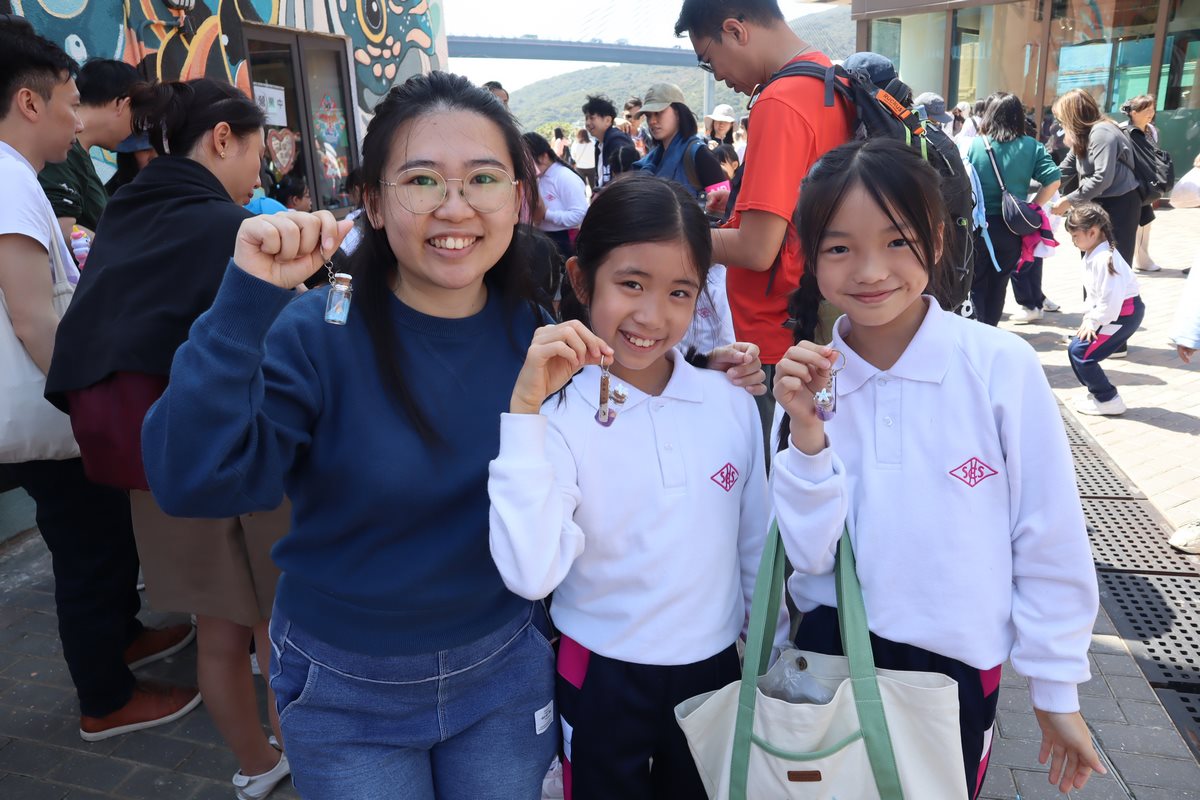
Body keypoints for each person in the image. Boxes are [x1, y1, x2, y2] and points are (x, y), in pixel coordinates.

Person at [137, 71, 765, 798]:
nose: (455, 206)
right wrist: (244, 300)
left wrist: (704, 372)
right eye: (422, 180)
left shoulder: (537, 335)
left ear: (518, 198)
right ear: (373, 201)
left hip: (503, 673)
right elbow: (192, 479)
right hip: (349, 687)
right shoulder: (320, 330)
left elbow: (635, 394)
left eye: (483, 179)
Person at [772, 138, 1105, 799]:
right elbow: (805, 557)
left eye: (898, 241)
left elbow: (1047, 532)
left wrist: (1055, 685)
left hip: (954, 668)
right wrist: (806, 436)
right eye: (839, 248)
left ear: (939, 238)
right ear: (810, 256)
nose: (871, 270)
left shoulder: (999, 366)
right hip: (828, 655)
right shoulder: (806, 384)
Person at [489, 175, 780, 799]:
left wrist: (770, 653)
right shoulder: (555, 419)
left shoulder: (729, 401)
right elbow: (531, 573)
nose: (652, 316)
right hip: (601, 674)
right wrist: (524, 416)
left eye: (679, 292)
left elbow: (754, 542)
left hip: (716, 673)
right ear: (581, 279)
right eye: (631, 284)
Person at [45, 78, 292, 797]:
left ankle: (256, 768)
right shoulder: (230, 229)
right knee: (278, 630)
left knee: (217, 631)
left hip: (153, 460)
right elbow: (286, 343)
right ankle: (306, 759)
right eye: (257, 154)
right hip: (243, 452)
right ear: (222, 138)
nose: (259, 175)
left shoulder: (125, 211)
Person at [0, 16, 198, 743]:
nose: (77, 119)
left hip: (46, 409)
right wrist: (90, 402)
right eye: (68, 100)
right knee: (89, 549)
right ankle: (105, 698)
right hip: (44, 415)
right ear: (29, 102)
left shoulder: (17, 177)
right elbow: (32, 319)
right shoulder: (9, 180)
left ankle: (123, 637)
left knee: (103, 533)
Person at [675, 0, 854, 435]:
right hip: (811, 318)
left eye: (708, 60)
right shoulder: (831, 82)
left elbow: (757, 249)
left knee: (764, 463)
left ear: (735, 31)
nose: (717, 75)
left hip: (773, 337)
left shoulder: (780, 100)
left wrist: (673, 238)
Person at [965, 92, 1061, 326]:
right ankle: (991, 331)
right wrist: (1033, 207)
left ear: (990, 115)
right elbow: (1054, 180)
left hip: (978, 226)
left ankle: (976, 333)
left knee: (975, 284)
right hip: (1012, 228)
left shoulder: (974, 145)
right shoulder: (1032, 146)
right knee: (999, 284)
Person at [38, 58, 141, 247]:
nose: (136, 129)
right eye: (138, 115)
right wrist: (123, 251)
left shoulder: (76, 155)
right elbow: (62, 229)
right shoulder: (63, 154)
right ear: (123, 104)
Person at [1063, 203, 1144, 416]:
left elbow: (1111, 302)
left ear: (1092, 232)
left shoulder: (1105, 259)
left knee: (1082, 354)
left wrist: (1093, 320)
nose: (1073, 241)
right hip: (1111, 314)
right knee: (1075, 349)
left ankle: (1108, 399)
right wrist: (1088, 318)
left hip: (1123, 315)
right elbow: (1094, 295)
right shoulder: (1093, 253)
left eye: (1075, 236)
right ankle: (1098, 394)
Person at [1050, 89, 1141, 266]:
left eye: (1061, 119)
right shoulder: (1084, 136)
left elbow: (1102, 177)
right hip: (1096, 204)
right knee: (1092, 262)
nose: (1061, 125)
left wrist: (1068, 201)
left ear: (1073, 115)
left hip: (1119, 205)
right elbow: (1063, 171)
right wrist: (1038, 188)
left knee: (1114, 265)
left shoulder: (1102, 132)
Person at [632, 82, 727, 202]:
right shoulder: (651, 159)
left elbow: (724, 205)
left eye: (658, 112)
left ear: (678, 113)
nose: (652, 121)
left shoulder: (700, 154)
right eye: (648, 115)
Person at [524, 131, 587, 260]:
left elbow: (579, 215)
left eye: (528, 160)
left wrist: (546, 215)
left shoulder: (565, 177)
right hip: (544, 236)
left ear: (544, 156)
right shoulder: (538, 177)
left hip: (565, 239)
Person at [1121, 94, 1163, 272]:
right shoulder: (1121, 130)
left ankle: (1142, 259)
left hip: (1146, 183)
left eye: (1152, 109)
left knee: (1145, 223)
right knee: (1127, 225)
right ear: (1134, 112)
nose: (1151, 113)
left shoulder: (1152, 131)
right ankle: (1126, 262)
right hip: (1127, 183)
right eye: (1146, 110)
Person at [583, 94, 634, 190]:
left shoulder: (617, 141)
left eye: (592, 118)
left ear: (608, 120)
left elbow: (628, 178)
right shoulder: (599, 145)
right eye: (586, 118)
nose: (588, 123)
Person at [104, 132, 156, 196]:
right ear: (129, 156)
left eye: (160, 149)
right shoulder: (109, 197)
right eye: (145, 150)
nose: (155, 156)